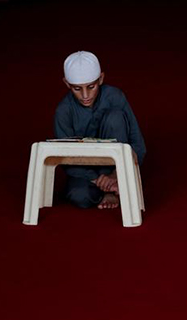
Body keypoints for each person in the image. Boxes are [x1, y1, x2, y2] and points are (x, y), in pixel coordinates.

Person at [54, 51, 146, 210]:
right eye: (77, 88)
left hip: (118, 168)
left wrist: (115, 174)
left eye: (91, 87)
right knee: (79, 195)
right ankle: (110, 190)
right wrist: (98, 180)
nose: (85, 95)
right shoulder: (63, 111)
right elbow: (65, 157)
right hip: (85, 174)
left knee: (115, 118)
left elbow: (137, 144)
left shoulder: (115, 97)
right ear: (67, 84)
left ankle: (116, 184)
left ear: (101, 79)